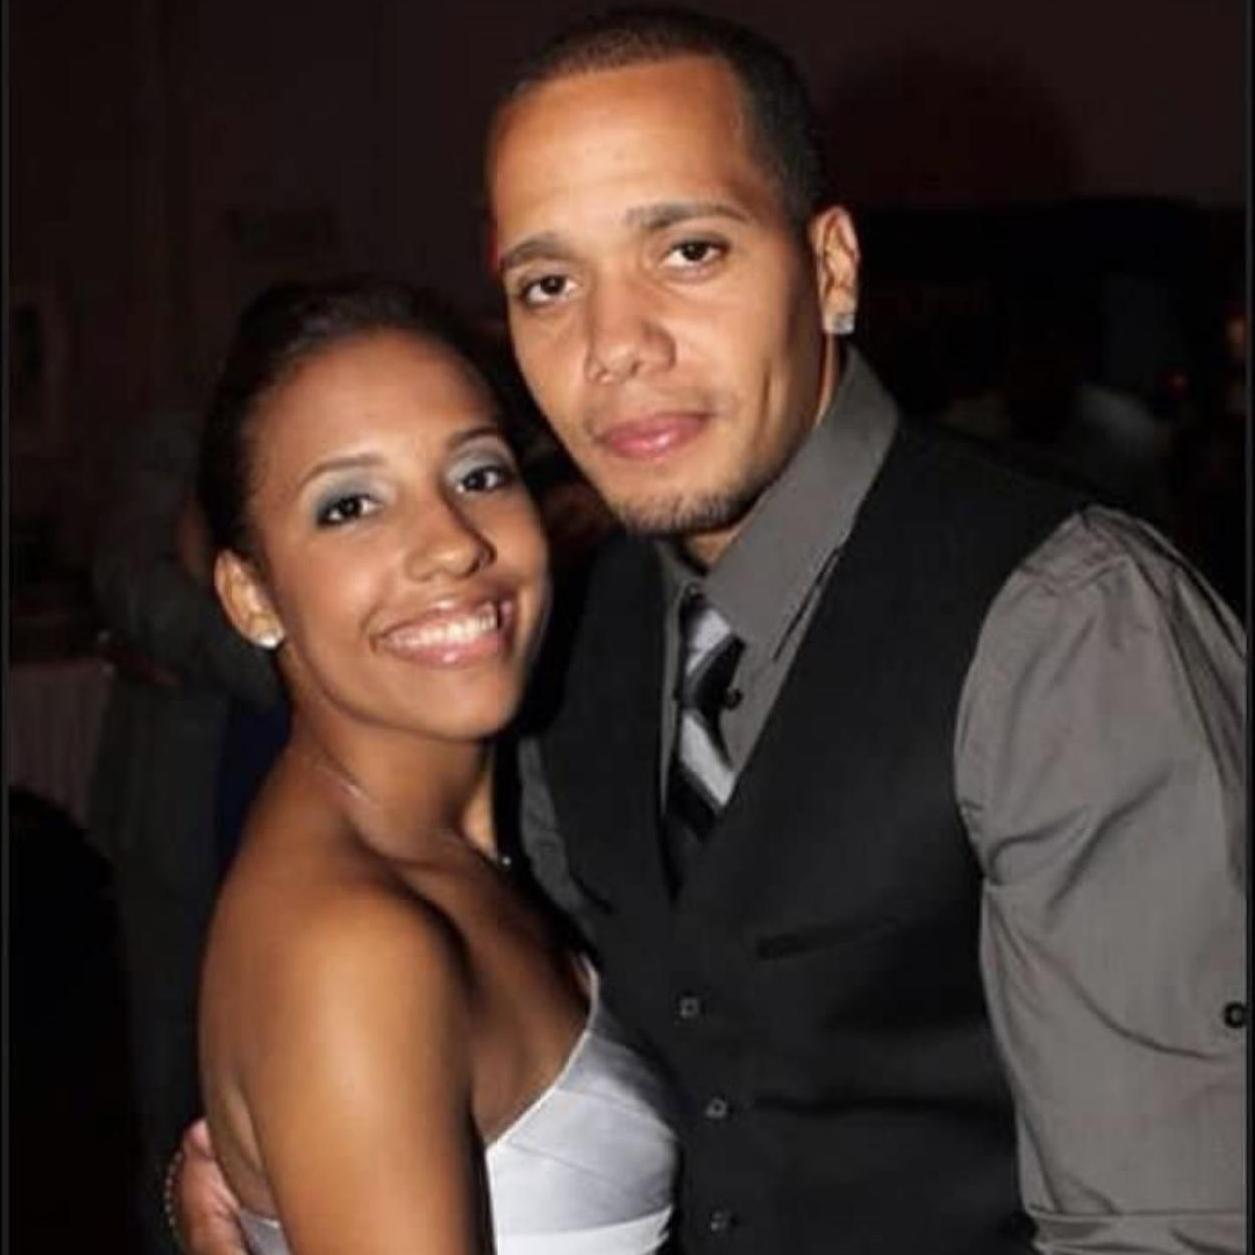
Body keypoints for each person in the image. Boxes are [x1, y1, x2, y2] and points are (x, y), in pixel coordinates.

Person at [177, 9, 1246, 1254]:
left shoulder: (1070, 625)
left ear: (830, 268)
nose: (615, 348)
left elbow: (1167, 1228)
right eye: (548, 285)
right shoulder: (559, 639)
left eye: (687, 251)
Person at [190, 277, 676, 1255]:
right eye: (350, 505)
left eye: (479, 473)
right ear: (251, 597)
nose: (450, 543)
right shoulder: (358, 954)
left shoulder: (443, 851)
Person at [90, 403, 282, 1255]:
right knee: (174, 1063)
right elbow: (132, 586)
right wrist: (275, 655)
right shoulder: (179, 438)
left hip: (298, 792)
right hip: (186, 810)